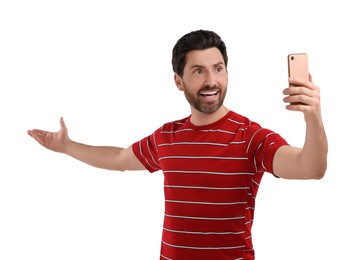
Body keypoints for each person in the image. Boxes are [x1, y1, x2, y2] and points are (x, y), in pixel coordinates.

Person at [27, 29, 328, 260]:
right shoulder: (168, 136)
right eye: (199, 71)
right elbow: (119, 158)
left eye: (218, 68)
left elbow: (310, 167)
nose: (211, 80)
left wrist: (313, 116)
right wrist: (67, 146)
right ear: (178, 81)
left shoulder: (251, 137)